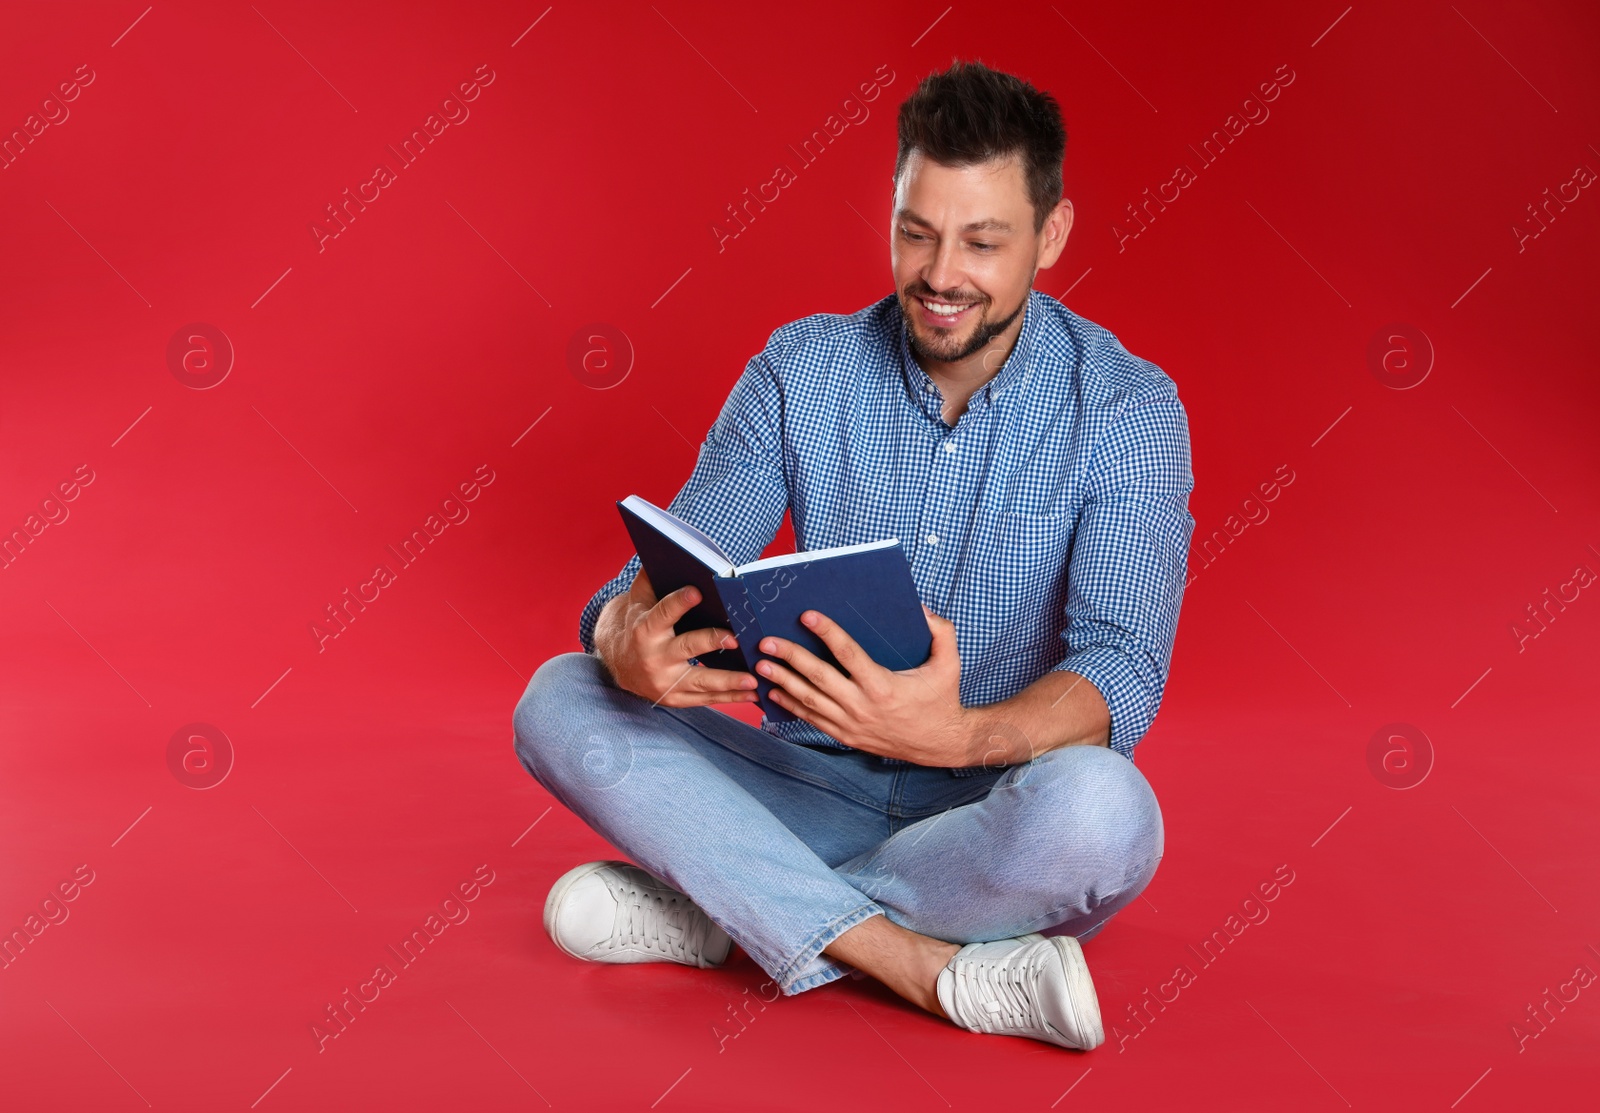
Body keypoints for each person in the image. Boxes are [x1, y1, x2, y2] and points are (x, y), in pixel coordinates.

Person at [513, 58, 1194, 1052]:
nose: (939, 275)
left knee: (1108, 814)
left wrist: (954, 738)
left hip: (988, 810)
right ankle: (919, 964)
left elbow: (1123, 668)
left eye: (982, 241)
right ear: (889, 212)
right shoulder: (801, 369)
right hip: (801, 784)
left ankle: (728, 906)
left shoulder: (1129, 411)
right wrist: (625, 637)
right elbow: (660, 574)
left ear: (1051, 236)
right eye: (915, 232)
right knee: (561, 697)